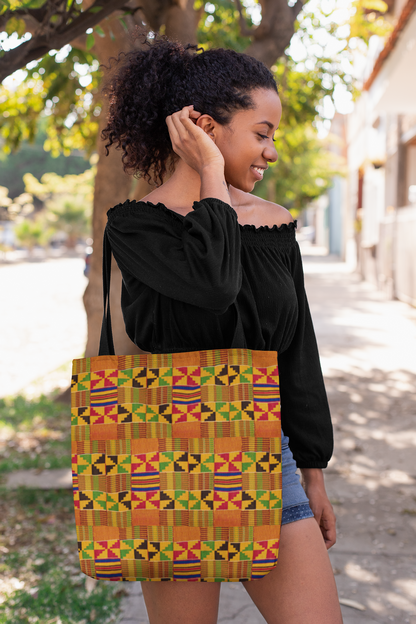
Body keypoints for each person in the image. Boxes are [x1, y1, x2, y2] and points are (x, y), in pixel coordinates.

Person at [102, 37, 343, 624]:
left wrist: (312, 472)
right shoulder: (138, 229)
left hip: (267, 455)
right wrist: (211, 171)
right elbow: (214, 285)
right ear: (203, 127)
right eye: (261, 134)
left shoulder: (275, 224)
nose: (272, 152)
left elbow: (297, 353)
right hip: (164, 462)